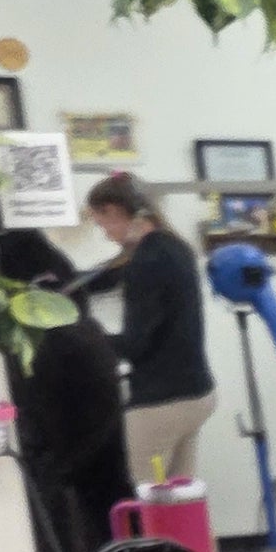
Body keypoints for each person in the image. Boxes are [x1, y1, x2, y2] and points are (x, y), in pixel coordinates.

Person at [0, 229, 133, 552]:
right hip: (93, 388)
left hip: (65, 407)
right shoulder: (66, 299)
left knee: (61, 511)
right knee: (106, 503)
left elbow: (48, 451)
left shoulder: (38, 329)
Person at [82, 172, 218, 482]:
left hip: (160, 404)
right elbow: (103, 278)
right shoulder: (173, 247)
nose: (105, 234)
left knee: (151, 505)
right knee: (183, 503)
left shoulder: (146, 261)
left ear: (115, 212)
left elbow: (134, 344)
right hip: (196, 395)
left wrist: (88, 339)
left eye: (102, 224)